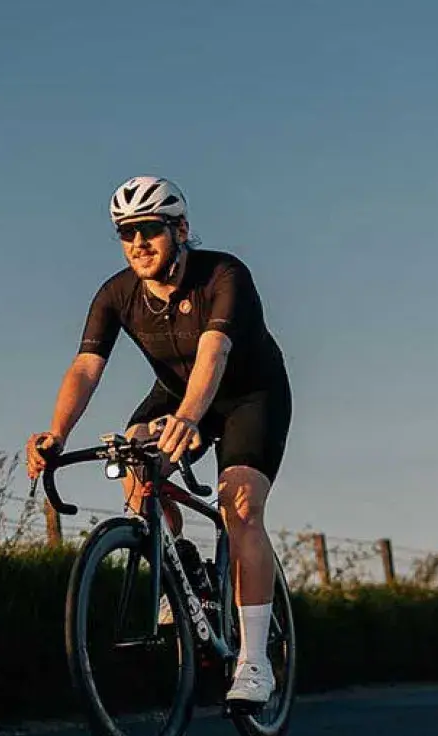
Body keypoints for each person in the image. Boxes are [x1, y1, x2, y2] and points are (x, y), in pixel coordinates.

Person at [26, 176, 292, 705]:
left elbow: (215, 351)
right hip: (176, 392)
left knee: (239, 507)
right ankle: (180, 566)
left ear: (181, 229)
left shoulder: (223, 274)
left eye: (149, 229)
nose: (138, 243)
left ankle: (255, 661)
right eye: (126, 233)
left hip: (249, 395)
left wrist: (190, 419)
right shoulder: (116, 294)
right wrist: (56, 433)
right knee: (132, 457)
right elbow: (86, 367)